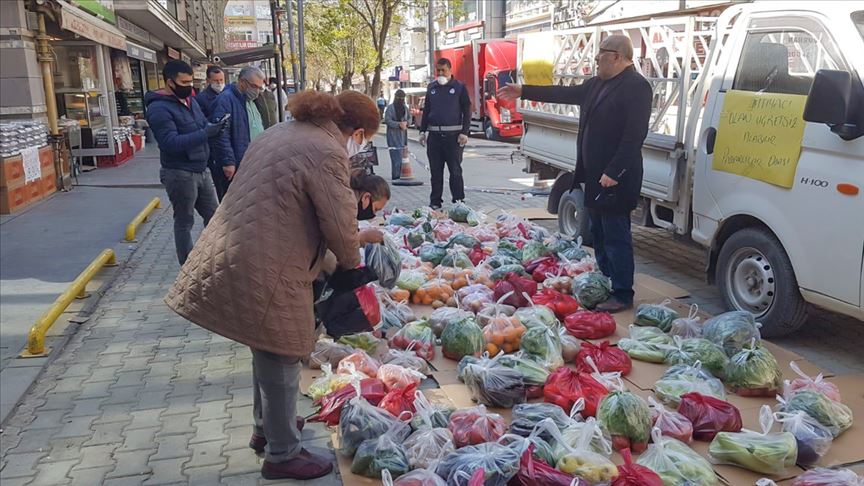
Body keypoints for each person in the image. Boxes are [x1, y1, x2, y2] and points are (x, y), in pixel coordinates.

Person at [164, 89, 381, 481]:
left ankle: (267, 429)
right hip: (269, 260)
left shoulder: (283, 131)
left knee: (263, 346)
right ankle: (283, 455)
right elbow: (338, 221)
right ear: (358, 131)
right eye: (362, 140)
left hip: (242, 246)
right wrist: (351, 266)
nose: (358, 147)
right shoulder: (327, 150)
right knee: (283, 348)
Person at [498, 35, 652, 312]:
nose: (595, 59)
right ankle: (605, 279)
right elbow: (563, 94)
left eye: (601, 53)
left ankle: (622, 292)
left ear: (617, 56)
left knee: (616, 235)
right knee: (598, 233)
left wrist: (614, 171)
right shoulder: (596, 85)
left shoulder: (636, 87)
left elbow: (634, 135)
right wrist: (523, 90)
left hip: (615, 178)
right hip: (593, 175)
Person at [144, 60, 227, 265]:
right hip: (179, 172)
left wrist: (214, 128)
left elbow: (200, 125)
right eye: (184, 82)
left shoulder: (191, 100)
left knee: (214, 217)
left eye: (191, 82)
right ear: (170, 82)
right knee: (184, 221)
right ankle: (188, 265)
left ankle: (214, 259)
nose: (189, 86)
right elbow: (170, 142)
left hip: (201, 169)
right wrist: (204, 133)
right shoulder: (159, 109)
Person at [419, 58, 471, 209]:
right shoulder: (431, 88)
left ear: (450, 70)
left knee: (455, 171)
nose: (441, 73)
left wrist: (465, 132)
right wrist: (422, 131)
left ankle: (458, 202)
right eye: (438, 70)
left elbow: (467, 110)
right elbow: (427, 110)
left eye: (443, 70)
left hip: (453, 137)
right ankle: (435, 202)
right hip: (434, 137)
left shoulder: (459, 87)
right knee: (436, 172)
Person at [209, 66, 267, 201]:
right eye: (254, 86)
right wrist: (228, 162)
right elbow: (221, 133)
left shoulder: (250, 100)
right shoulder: (226, 100)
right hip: (236, 164)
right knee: (234, 203)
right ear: (242, 82)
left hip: (252, 161)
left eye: (259, 87)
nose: (257, 90)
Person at [383, 89, 409, 181]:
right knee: (396, 158)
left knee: (402, 157)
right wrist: (398, 124)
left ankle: (401, 174)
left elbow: (409, 119)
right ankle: (396, 176)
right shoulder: (390, 108)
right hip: (393, 137)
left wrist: (406, 123)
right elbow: (387, 120)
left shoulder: (405, 108)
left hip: (403, 136)